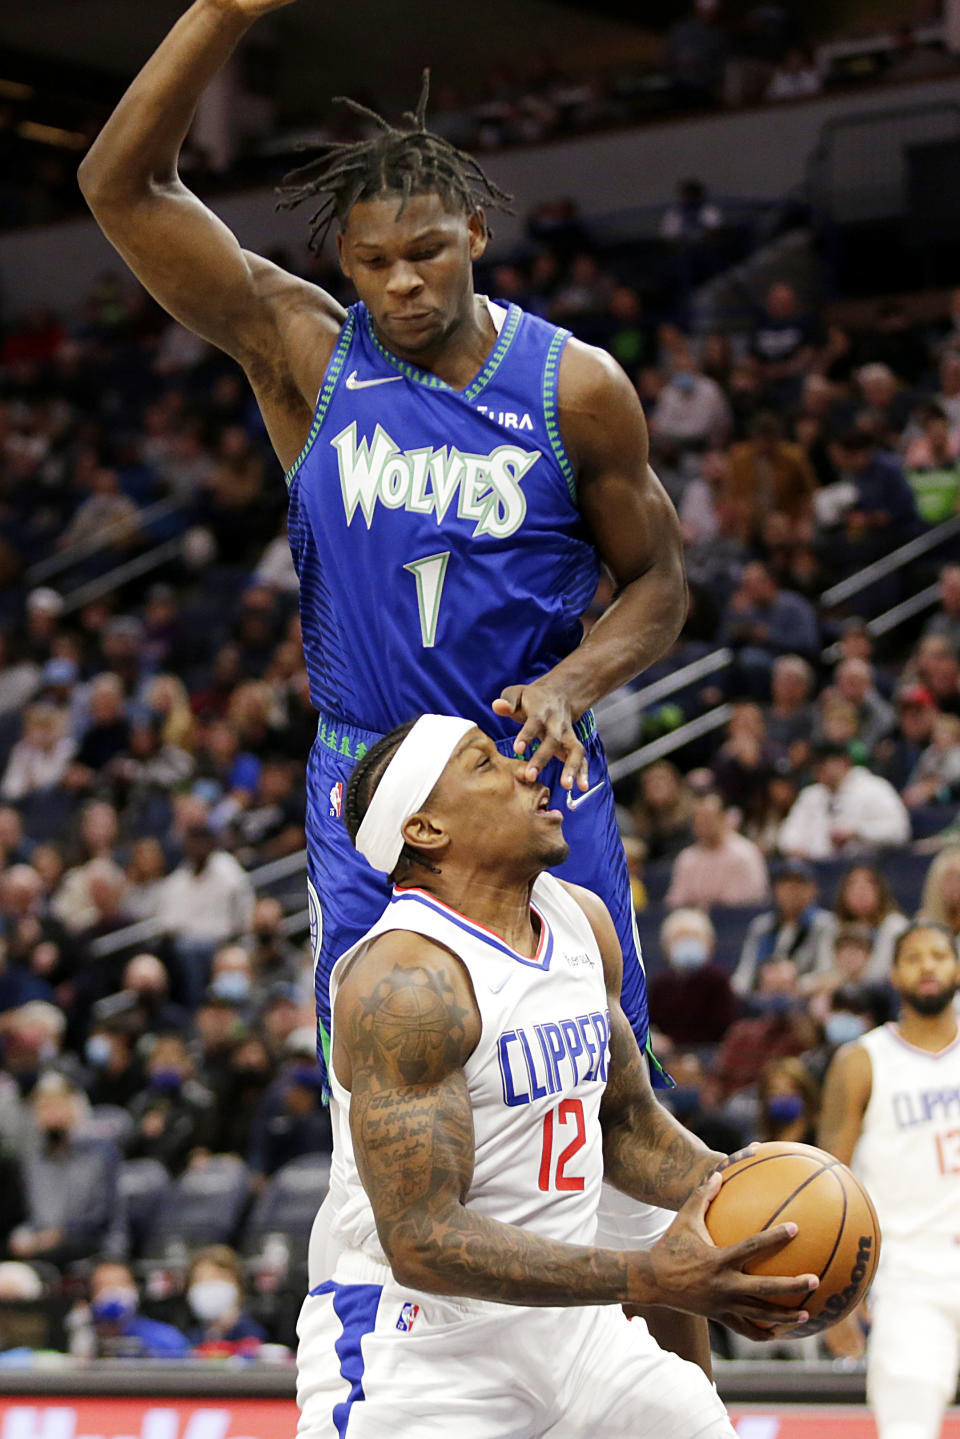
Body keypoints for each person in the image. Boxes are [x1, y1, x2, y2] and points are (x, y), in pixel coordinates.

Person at [80, 0, 695, 1360]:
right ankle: (399, 1388)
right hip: (369, 792)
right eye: (374, 264)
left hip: (533, 779)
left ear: (477, 232)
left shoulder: (573, 387)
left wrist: (577, 678)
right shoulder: (305, 350)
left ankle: (665, 1393)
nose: (404, 283)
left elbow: (660, 580)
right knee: (396, 1144)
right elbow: (121, 187)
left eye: (428, 251)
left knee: (611, 1133)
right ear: (344, 265)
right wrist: (222, 14)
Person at [297, 715, 815, 1436]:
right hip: (424, 1351)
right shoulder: (408, 981)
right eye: (485, 764)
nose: (525, 767)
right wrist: (647, 1276)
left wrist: (756, 1197)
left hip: (578, 1338)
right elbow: (422, 1238)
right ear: (427, 830)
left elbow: (625, 1124)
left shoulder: (581, 920)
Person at [818, 923, 960, 1439]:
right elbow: (826, 1186)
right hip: (908, 1278)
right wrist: (834, 1307)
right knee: (907, 1429)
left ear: (957, 968)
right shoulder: (862, 1061)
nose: (928, 966)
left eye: (939, 955)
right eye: (914, 957)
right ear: (894, 975)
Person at [778, 739, 911, 860]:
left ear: (844, 762)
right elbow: (787, 835)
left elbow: (899, 831)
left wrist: (857, 832)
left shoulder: (874, 788)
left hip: (861, 865)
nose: (818, 771)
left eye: (824, 764)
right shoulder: (811, 794)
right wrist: (796, 848)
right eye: (815, 766)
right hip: (815, 868)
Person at [732, 858, 834, 996]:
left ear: (812, 889)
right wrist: (734, 990)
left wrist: (796, 984)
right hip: (763, 997)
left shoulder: (824, 924)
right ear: (776, 890)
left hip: (805, 998)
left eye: (799, 884)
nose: (791, 891)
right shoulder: (761, 925)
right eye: (785, 884)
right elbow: (745, 972)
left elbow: (827, 970)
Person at [665, 790, 769, 910]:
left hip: (736, 923)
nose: (703, 823)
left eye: (708, 818)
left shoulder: (745, 853)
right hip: (696, 923)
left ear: (723, 818)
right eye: (698, 818)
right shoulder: (687, 858)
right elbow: (675, 902)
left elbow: (745, 903)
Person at [87, 1260, 189, 1359]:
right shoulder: (81, 1337)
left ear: (134, 1289)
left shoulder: (166, 1338)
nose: (112, 1291)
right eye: (103, 1285)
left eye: (121, 1284)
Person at [186, 1244, 266, 1347]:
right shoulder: (189, 1337)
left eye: (216, 1277)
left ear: (237, 1283)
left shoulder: (253, 1331)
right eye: (200, 1279)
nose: (209, 1285)